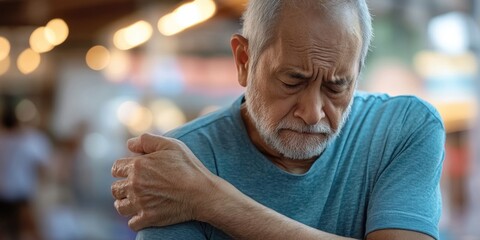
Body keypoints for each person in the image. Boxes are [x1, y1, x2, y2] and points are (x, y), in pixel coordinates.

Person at [111, 0, 445, 239]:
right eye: (292, 81)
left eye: (336, 86)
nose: (313, 112)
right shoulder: (185, 160)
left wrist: (211, 200)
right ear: (244, 60)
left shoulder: (403, 129)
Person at [0, 95, 51, 240]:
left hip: (3, 192)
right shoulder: (29, 141)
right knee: (23, 231)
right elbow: (44, 168)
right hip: (21, 194)